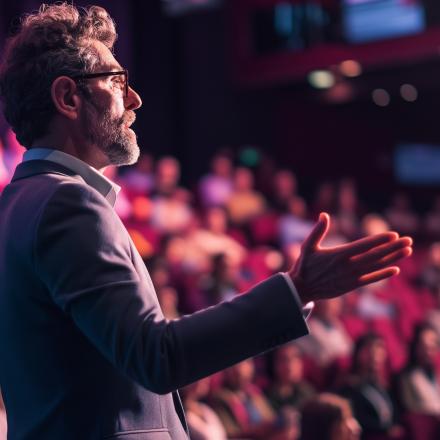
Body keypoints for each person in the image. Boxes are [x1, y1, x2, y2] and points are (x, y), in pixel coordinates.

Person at [0, 3, 412, 439]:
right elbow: (155, 356)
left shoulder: (21, 204)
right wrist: (297, 289)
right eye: (117, 81)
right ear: (68, 98)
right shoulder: (67, 204)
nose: (135, 99)